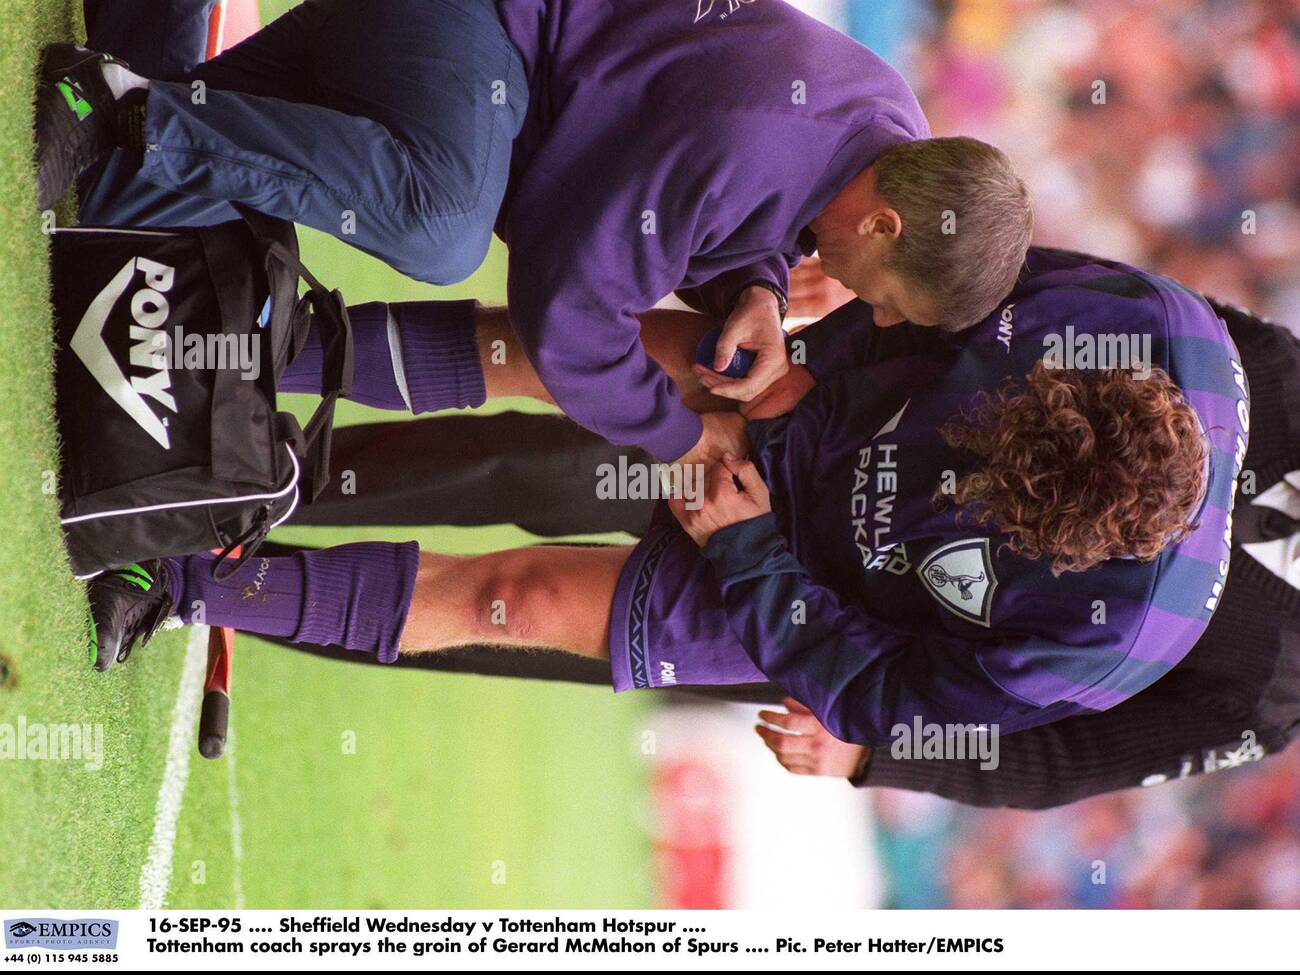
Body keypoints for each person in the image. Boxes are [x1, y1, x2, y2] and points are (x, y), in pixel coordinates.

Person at [86, 248, 1243, 749]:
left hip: (815, 591)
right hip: (824, 399)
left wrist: (751, 553)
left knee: (516, 599)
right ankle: (211, 348)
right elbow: (935, 283)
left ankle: (175, 580)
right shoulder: (1140, 324)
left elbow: (886, 693)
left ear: (1054, 550)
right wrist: (790, 377)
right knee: (545, 350)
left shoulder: (1106, 643)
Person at [36, 0, 1032, 471]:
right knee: (440, 230)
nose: (860, 303)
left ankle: (144, 98)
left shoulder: (884, 126)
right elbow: (565, 314)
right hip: (475, 37)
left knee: (132, 229)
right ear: (885, 221)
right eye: (885, 292)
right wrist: (682, 435)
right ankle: (120, 109)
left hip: (461, 71)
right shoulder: (756, 145)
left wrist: (759, 289)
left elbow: (744, 209)